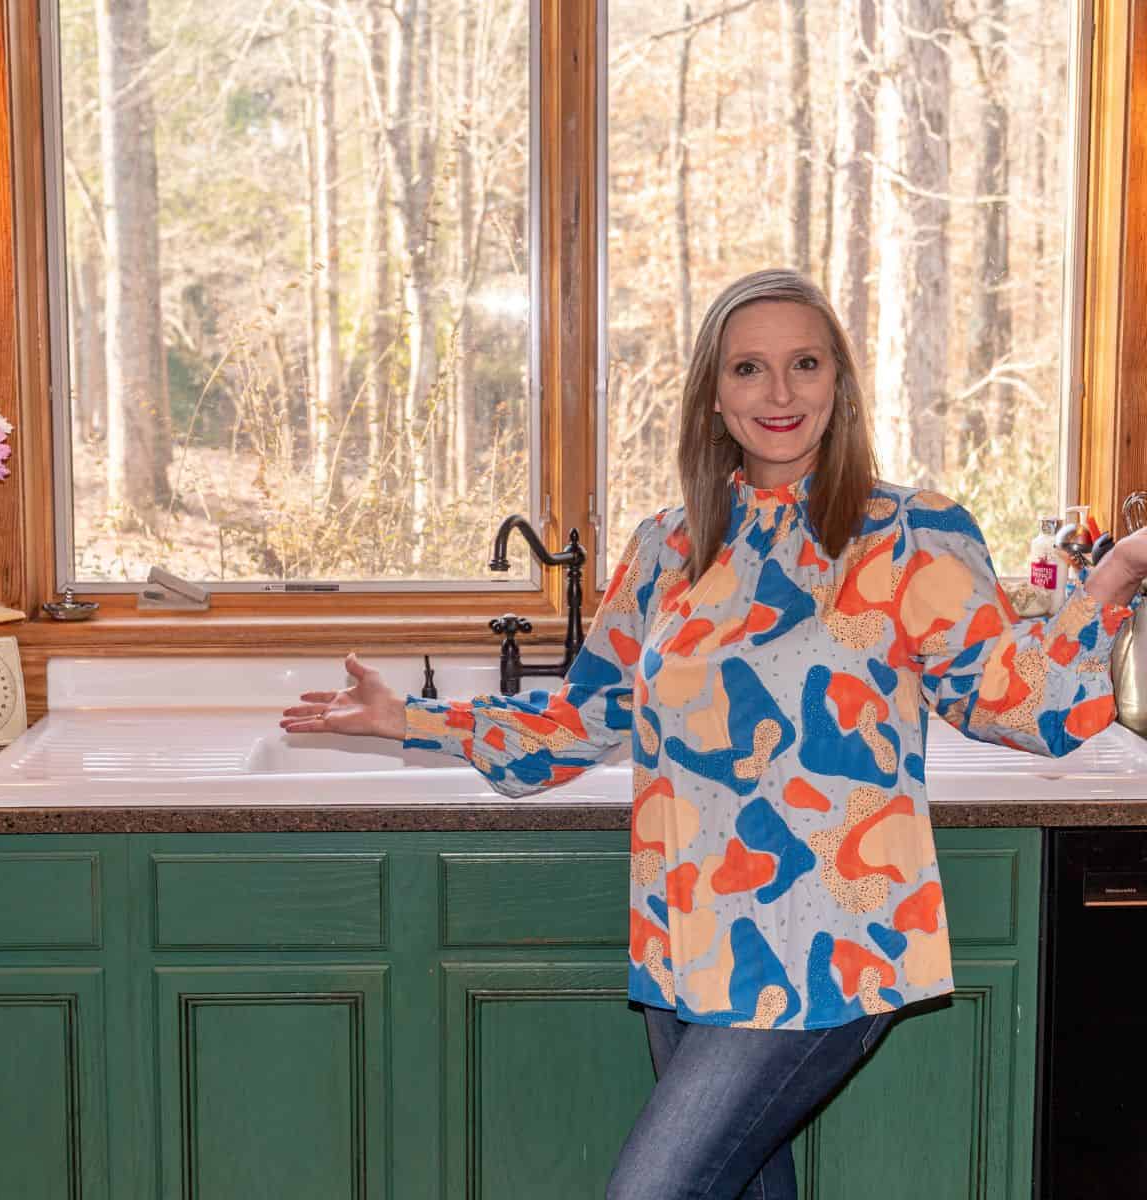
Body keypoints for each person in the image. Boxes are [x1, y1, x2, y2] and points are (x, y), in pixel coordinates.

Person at [280, 269, 1147, 1199]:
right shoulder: (670, 544)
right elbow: (580, 720)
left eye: (804, 364)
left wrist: (1115, 577)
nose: (779, 394)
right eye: (749, 369)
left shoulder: (909, 534)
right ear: (714, 393)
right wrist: (406, 719)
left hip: (830, 950)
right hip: (688, 940)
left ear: (839, 383)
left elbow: (1020, 704)